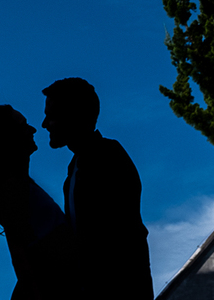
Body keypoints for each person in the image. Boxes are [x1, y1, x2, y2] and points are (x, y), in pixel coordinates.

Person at [42, 78, 153, 300]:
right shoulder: (75, 168)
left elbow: (120, 237)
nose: (45, 124)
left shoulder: (108, 157)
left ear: (72, 116)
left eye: (52, 115)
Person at [0, 105, 67, 300]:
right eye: (24, 125)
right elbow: (21, 253)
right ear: (9, 137)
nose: (33, 129)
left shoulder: (20, 186)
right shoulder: (12, 189)